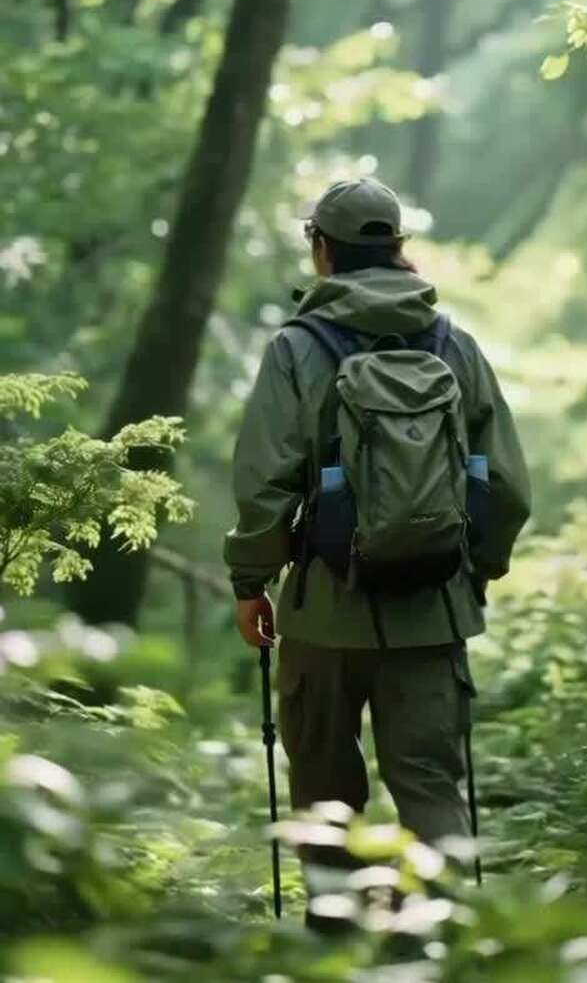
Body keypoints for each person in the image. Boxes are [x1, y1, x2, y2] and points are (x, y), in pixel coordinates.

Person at [225, 177, 531, 853]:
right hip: (434, 608)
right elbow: (505, 482)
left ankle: (338, 940)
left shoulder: (297, 350)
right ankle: (444, 940)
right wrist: (476, 569)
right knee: (429, 784)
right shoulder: (454, 346)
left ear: (322, 250)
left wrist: (251, 583)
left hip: (324, 611)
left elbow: (265, 484)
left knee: (325, 793)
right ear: (399, 247)